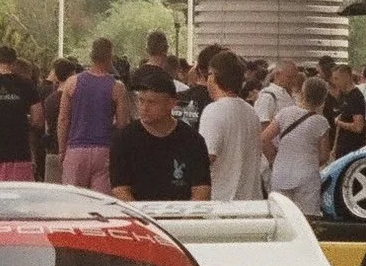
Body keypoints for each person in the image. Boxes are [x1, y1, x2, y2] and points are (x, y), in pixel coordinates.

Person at [110, 67, 211, 201]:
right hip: (142, 216)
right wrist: (144, 219)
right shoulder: (124, 139)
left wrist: (187, 219)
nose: (144, 108)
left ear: (171, 103)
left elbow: (202, 189)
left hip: (182, 217)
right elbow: (119, 188)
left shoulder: (192, 140)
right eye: (141, 101)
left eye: (152, 102)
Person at [57, 39, 125, 194]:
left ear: (91, 56)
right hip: (104, 150)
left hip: (76, 149)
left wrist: (62, 150)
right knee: (100, 203)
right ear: (110, 56)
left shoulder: (72, 83)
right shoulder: (117, 87)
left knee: (73, 202)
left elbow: (63, 120)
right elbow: (122, 125)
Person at [197, 46, 265, 202]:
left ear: (213, 77)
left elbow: (206, 157)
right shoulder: (251, 112)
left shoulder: (213, 111)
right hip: (251, 202)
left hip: (223, 204)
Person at [266, 77, 332, 217]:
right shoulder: (321, 122)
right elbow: (324, 156)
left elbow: (264, 138)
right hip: (307, 173)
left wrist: (273, 158)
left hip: (281, 171)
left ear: (303, 92)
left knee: (280, 216)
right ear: (323, 99)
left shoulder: (285, 113)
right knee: (308, 218)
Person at [0, 46, 40, 183]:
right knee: (19, 196)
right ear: (15, 62)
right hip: (20, 150)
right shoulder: (26, 85)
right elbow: (38, 119)